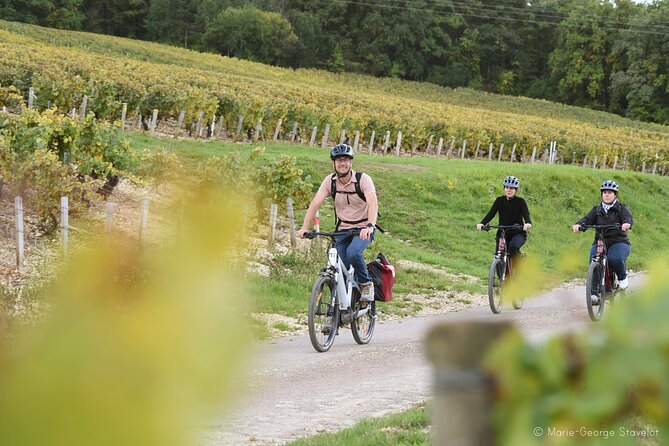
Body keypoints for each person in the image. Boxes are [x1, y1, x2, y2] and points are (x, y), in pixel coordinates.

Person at [298, 144, 379, 302]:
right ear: (333, 163)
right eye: (339, 160)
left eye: (346, 160)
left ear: (351, 162)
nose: (342, 163)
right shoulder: (330, 181)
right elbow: (315, 204)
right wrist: (304, 227)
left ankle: (366, 283)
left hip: (363, 228)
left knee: (353, 253)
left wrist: (370, 226)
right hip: (342, 230)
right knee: (341, 268)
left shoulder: (363, 179)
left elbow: (373, 204)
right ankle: (340, 309)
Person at [572, 180, 633, 304]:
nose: (607, 194)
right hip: (600, 240)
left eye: (610, 192)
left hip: (619, 241)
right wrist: (579, 225)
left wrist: (626, 224)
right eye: (604, 192)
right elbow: (587, 219)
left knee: (614, 259)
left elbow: (628, 218)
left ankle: (622, 279)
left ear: (615, 194)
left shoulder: (621, 208)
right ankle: (594, 294)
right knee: (593, 262)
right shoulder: (597, 209)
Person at [476, 176, 532, 259]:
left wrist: (528, 223)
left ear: (515, 190)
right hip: (503, 232)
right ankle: (500, 270)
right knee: (498, 254)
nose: (508, 190)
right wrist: (482, 223)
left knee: (512, 248)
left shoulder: (520, 202)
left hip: (517, 233)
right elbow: (491, 213)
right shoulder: (499, 200)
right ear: (504, 188)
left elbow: (526, 214)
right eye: (506, 187)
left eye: (511, 188)